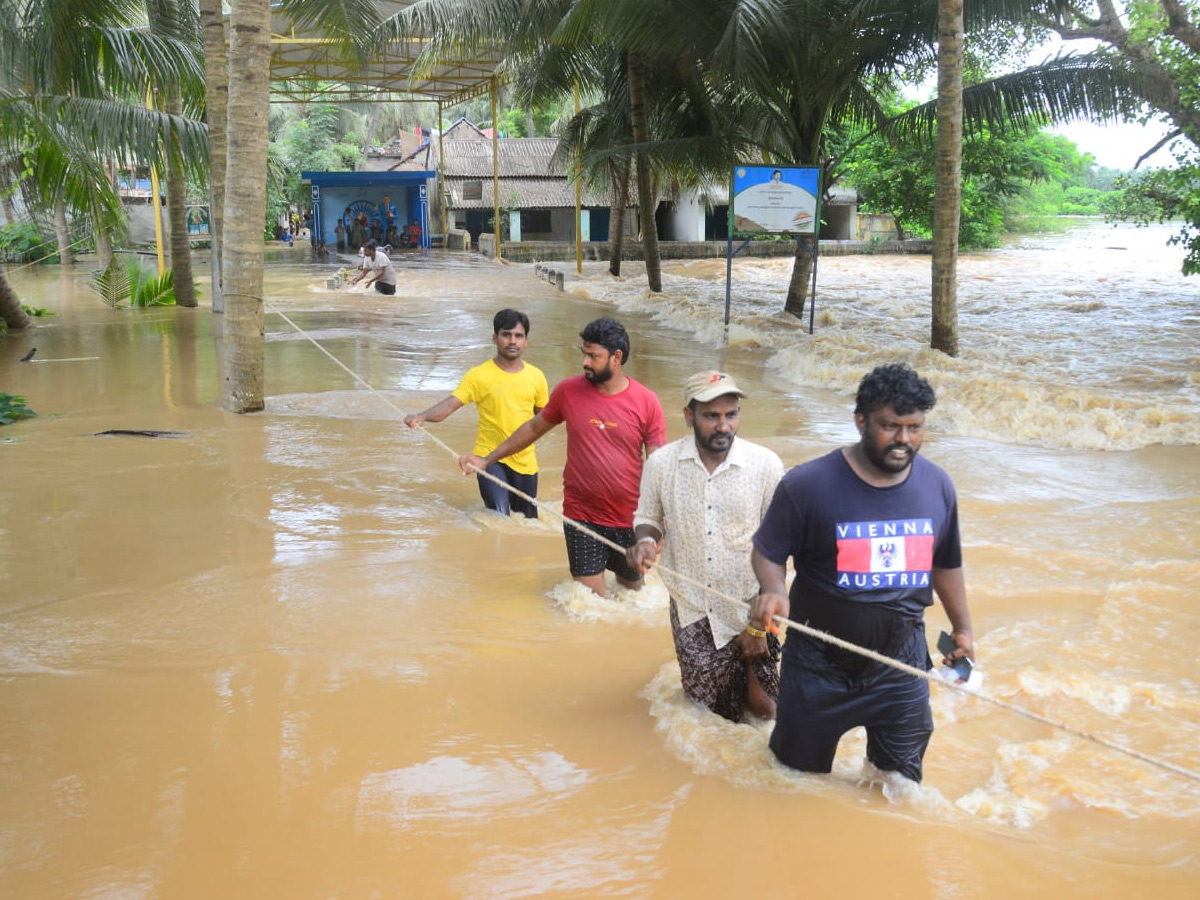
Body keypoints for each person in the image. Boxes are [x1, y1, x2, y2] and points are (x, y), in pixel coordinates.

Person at [749, 363, 975, 784]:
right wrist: (774, 588)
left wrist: (962, 629)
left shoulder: (938, 487)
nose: (904, 440)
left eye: (914, 427)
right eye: (890, 426)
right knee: (794, 783)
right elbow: (768, 550)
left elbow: (946, 562)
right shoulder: (808, 484)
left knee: (900, 788)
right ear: (861, 421)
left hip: (900, 664)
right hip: (818, 662)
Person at [459, 318, 666, 598]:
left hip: (629, 519)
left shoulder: (646, 401)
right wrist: (486, 460)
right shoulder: (569, 391)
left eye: (594, 356)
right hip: (581, 516)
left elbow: (658, 466)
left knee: (634, 595)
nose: (585, 362)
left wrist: (656, 530)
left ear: (616, 357)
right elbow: (533, 429)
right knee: (589, 604)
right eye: (584, 353)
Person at [627, 371, 785, 721]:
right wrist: (647, 543)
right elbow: (648, 516)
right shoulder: (662, 464)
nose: (724, 426)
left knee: (765, 709)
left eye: (731, 415)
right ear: (689, 416)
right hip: (691, 609)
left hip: (751, 605)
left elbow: (779, 547)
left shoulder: (765, 466)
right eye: (711, 416)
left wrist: (759, 626)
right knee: (708, 715)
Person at [405, 309, 549, 518]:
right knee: (500, 517)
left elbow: (544, 419)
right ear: (494, 338)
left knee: (527, 521)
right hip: (488, 459)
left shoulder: (537, 377)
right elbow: (449, 405)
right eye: (506, 335)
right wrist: (422, 416)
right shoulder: (478, 375)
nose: (512, 341)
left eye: (518, 336)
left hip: (525, 462)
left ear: (526, 340)